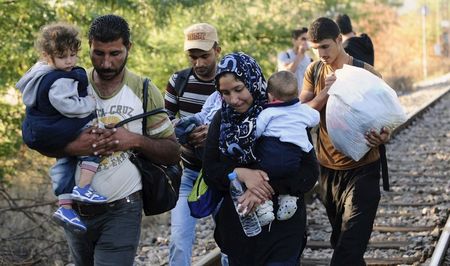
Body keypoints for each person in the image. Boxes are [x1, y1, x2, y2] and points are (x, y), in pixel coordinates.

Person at [37, 14, 180, 265]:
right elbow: (37, 136)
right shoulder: (69, 84)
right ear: (89, 46)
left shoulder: (144, 90)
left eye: (115, 53)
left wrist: (134, 140)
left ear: (129, 48)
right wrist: (74, 146)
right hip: (75, 210)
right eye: (98, 53)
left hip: (124, 208)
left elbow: (171, 151)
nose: (106, 63)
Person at [203, 52, 319, 265]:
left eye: (239, 89)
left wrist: (267, 187)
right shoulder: (222, 120)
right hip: (239, 232)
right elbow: (211, 171)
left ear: (253, 82)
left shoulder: (286, 114)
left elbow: (310, 173)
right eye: (225, 93)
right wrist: (241, 174)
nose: (234, 100)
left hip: (283, 232)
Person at [300, 17, 390, 265]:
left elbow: (387, 118)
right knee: (342, 240)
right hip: (328, 170)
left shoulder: (366, 72)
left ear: (340, 40)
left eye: (326, 47)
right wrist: (327, 91)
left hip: (364, 169)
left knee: (349, 246)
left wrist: (384, 135)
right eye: (316, 48)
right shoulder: (314, 71)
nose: (321, 53)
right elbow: (303, 113)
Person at [16, 22, 108, 234]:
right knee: (95, 141)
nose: (69, 61)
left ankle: (65, 207)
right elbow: (67, 105)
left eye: (73, 55)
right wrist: (89, 104)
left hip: (44, 130)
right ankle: (84, 188)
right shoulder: (60, 79)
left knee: (65, 161)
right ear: (48, 56)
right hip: (56, 126)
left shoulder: (39, 72)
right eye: (63, 56)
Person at [164, 23, 222, 266]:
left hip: (224, 175)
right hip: (188, 173)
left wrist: (215, 135)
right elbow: (163, 125)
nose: (198, 63)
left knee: (231, 242)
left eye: (204, 56)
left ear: (218, 50)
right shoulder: (178, 81)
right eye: (193, 57)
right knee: (178, 238)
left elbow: (251, 119)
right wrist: (184, 135)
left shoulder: (231, 80)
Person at [254, 70, 319, 224]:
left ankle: (264, 206)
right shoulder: (303, 111)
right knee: (289, 180)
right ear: (297, 94)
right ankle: (289, 200)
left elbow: (256, 132)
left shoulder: (268, 113)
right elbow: (315, 118)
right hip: (293, 161)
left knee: (266, 180)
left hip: (269, 160)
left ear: (270, 96)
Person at [277, 27, 312, 92]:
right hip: (286, 97)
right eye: (303, 39)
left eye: (308, 39)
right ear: (294, 40)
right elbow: (287, 73)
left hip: (303, 99)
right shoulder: (284, 55)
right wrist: (300, 54)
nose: (306, 42)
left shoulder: (310, 60)